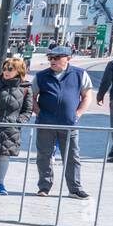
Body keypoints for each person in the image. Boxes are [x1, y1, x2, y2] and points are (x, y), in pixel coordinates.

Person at [31, 45, 93, 198]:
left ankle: (75, 189)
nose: (53, 61)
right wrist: (39, 113)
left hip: (69, 124)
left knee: (72, 156)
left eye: (57, 58)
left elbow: (87, 96)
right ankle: (44, 187)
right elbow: (31, 97)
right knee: (44, 156)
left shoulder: (80, 74)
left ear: (68, 59)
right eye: (50, 58)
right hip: (46, 124)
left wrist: (77, 114)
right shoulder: (41, 76)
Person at [0, 58, 33, 196]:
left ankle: (0, 183)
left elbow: (27, 111)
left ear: (19, 70)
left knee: (5, 156)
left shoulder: (26, 88)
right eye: (5, 68)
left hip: (11, 128)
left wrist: (18, 122)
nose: (6, 71)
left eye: (10, 69)